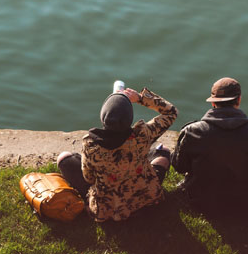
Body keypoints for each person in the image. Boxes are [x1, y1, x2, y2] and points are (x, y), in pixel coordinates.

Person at [56, 87, 178, 222]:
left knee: (64, 158)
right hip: (145, 197)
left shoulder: (91, 146)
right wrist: (140, 98)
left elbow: (89, 178)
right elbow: (171, 113)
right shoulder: (143, 135)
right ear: (130, 118)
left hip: (108, 208)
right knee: (163, 151)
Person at [172, 77, 248, 217]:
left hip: (202, 203)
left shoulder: (192, 131)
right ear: (239, 100)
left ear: (213, 102)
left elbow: (180, 167)